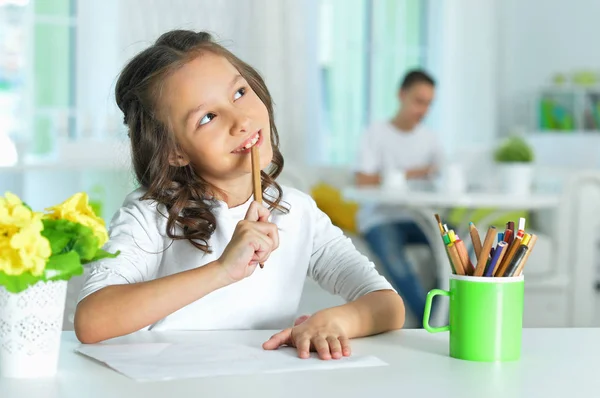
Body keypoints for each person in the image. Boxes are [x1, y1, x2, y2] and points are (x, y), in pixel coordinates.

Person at [74, 30, 405, 360]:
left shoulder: (298, 212)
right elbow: (92, 321)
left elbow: (387, 304)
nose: (241, 120)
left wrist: (334, 320)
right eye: (208, 117)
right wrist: (222, 270)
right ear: (174, 152)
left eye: (239, 92)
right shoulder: (149, 215)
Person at [354, 69, 441, 322]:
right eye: (418, 101)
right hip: (380, 218)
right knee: (397, 262)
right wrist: (412, 173)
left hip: (418, 217)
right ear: (401, 95)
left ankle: (442, 316)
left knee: (454, 246)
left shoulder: (430, 139)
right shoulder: (375, 133)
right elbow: (362, 180)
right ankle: (434, 321)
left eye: (429, 104)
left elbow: (441, 175)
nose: (423, 109)